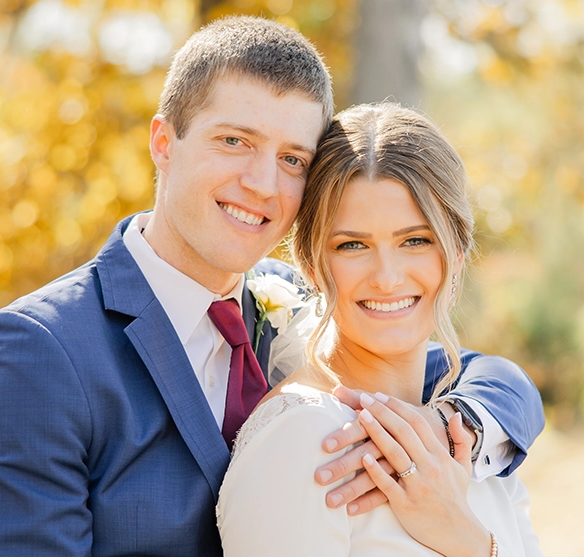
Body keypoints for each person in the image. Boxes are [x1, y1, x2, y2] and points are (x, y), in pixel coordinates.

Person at [0, 16, 543, 556]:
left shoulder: (290, 301)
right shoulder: (35, 354)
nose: (261, 183)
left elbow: (484, 375)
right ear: (163, 142)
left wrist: (452, 427)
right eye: (235, 141)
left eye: (292, 159)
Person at [217, 102, 543, 556]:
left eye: (415, 241)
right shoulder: (306, 438)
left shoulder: (472, 440)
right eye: (353, 245)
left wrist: (465, 538)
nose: (387, 277)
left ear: (457, 253)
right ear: (311, 264)